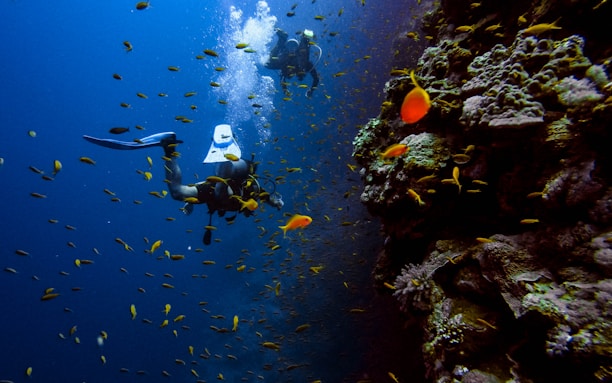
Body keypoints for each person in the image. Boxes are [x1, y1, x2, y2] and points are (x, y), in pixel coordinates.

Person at [83, 124, 284, 244]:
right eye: (251, 210)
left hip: (214, 189)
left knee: (178, 192)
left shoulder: (238, 199)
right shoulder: (254, 193)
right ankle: (226, 154)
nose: (250, 212)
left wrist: (190, 200)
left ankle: (169, 147)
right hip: (225, 187)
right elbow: (263, 194)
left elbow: (209, 183)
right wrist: (276, 203)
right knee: (222, 191)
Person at [265, 28, 320, 98]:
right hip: (293, 53)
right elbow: (316, 78)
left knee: (269, 64)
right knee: (269, 64)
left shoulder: (302, 65)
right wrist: (311, 90)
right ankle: (302, 39)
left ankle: (285, 40)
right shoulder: (305, 65)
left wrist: (285, 90)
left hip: (289, 55)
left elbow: (316, 78)